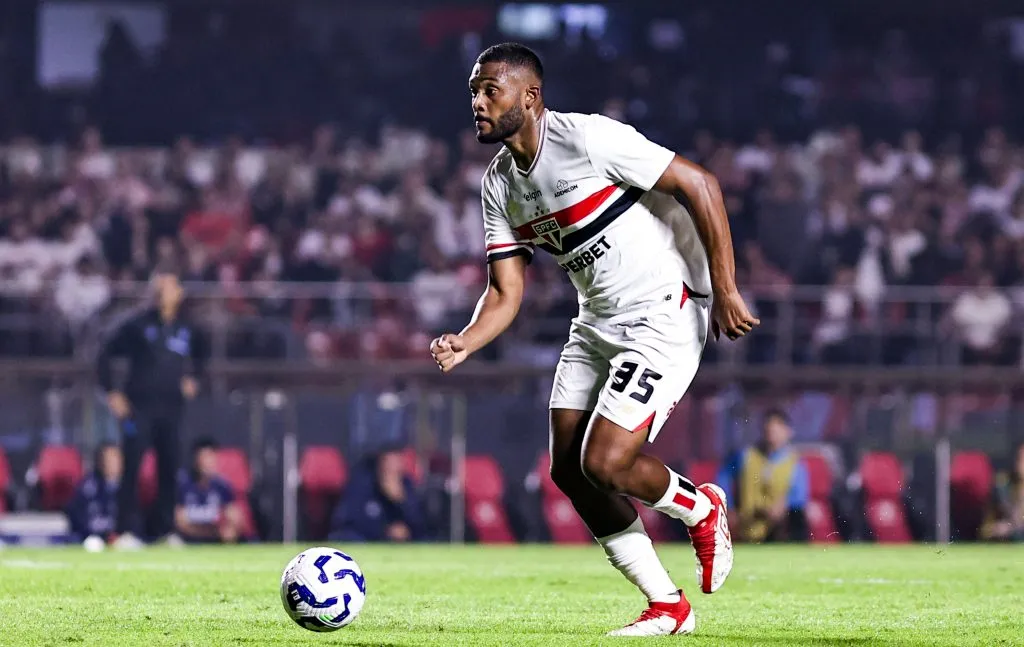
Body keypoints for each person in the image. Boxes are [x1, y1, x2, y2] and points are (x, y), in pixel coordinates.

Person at [429, 43, 759, 637]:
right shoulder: (499, 184)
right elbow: (505, 292)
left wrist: (728, 289)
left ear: (529, 97)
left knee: (605, 460)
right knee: (570, 471)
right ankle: (667, 605)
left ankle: (702, 508)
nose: (476, 103)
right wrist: (468, 340)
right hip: (597, 320)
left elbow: (701, 184)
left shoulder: (587, 139)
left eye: (489, 91)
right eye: (473, 92)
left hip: (664, 309)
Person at [97, 269, 207, 549]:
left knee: (169, 468)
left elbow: (203, 357)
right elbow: (105, 354)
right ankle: (122, 532)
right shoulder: (137, 325)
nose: (162, 293)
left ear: (179, 293)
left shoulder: (187, 328)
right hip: (139, 410)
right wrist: (112, 392)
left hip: (172, 409)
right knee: (131, 467)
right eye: (159, 288)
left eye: (168, 287)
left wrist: (195, 379)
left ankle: (164, 531)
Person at [716, 409, 810, 542]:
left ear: (788, 432)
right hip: (749, 523)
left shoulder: (795, 463)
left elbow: (800, 496)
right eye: (769, 430)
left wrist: (784, 505)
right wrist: (728, 507)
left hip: (778, 526)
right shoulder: (746, 456)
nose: (773, 434)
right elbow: (723, 477)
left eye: (777, 430)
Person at [328, 446, 428, 543]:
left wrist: (400, 500)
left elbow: (419, 522)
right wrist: (385, 530)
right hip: (367, 538)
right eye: (388, 461)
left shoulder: (406, 484)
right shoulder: (363, 482)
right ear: (380, 462)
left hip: (399, 543)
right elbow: (351, 519)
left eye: (396, 461)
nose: (392, 466)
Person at [175, 438, 244, 544]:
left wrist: (228, 531)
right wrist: (210, 533)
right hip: (188, 541)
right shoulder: (184, 484)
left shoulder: (222, 486)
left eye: (211, 457)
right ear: (195, 459)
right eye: (203, 457)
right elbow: (180, 521)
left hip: (216, 542)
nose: (207, 462)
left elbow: (235, 517)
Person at [66, 443, 123, 548]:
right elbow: (79, 519)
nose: (113, 464)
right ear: (100, 462)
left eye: (116, 459)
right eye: (108, 460)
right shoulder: (88, 488)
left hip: (120, 539)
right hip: (91, 538)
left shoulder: (127, 488)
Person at [980, 444, 1024, 541]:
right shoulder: (1003, 489)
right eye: (1021, 459)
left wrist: (1012, 529)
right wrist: (998, 528)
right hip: (1008, 546)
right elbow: (986, 529)